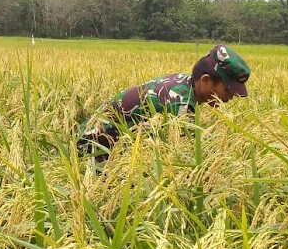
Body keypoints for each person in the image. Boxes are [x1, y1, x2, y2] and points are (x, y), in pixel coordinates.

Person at [77, 45, 250, 162]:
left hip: (103, 139)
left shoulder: (184, 81)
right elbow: (180, 158)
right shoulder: (180, 104)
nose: (232, 96)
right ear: (205, 80)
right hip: (93, 149)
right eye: (228, 89)